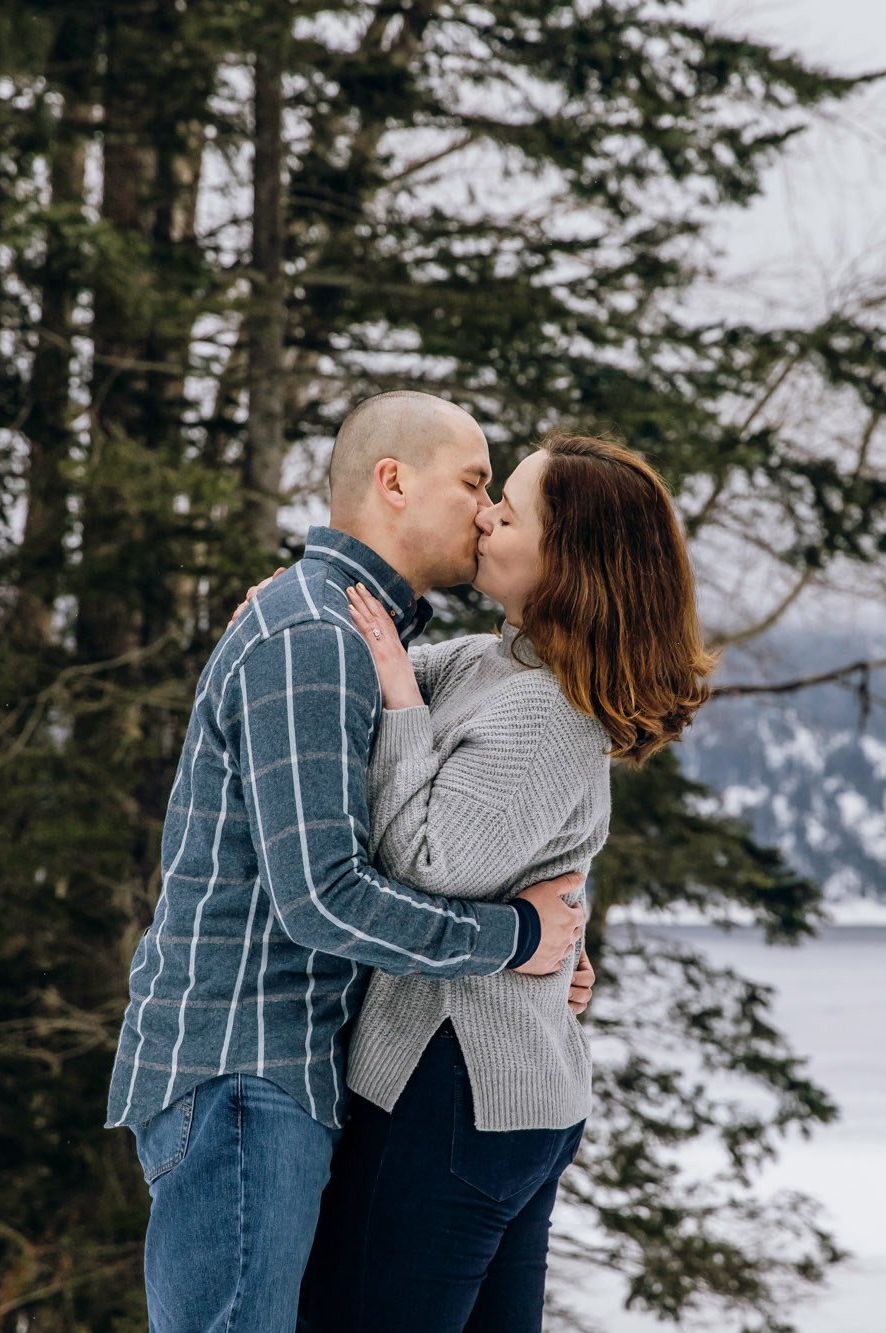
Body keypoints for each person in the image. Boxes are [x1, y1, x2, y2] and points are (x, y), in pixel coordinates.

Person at [103, 391, 592, 1333]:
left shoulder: (363, 635)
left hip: (286, 1069)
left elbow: (516, 776)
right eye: (474, 482)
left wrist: (561, 947)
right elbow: (322, 901)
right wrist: (515, 937)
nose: (487, 511)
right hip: (245, 1065)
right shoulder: (318, 638)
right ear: (394, 482)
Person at [300, 434, 717, 1333]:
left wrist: (406, 711)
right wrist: (298, 611)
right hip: (504, 1093)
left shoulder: (548, 708)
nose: (486, 514)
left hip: (455, 1091)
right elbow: (371, 678)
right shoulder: (501, 665)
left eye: (511, 509)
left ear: (567, 561)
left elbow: (422, 861)